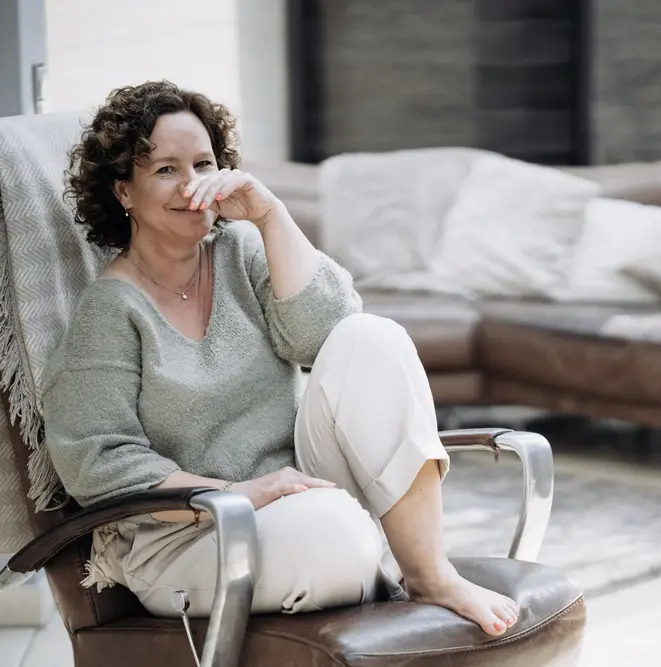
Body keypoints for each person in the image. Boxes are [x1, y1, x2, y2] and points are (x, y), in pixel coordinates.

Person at [41, 80, 519, 636]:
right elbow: (100, 464)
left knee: (371, 336)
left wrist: (269, 216)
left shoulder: (240, 251)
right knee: (335, 533)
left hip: (301, 492)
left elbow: (325, 335)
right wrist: (235, 494)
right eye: (167, 169)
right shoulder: (108, 311)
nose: (192, 184)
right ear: (124, 191)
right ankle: (371, 557)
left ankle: (430, 574)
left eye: (203, 164)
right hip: (192, 533)